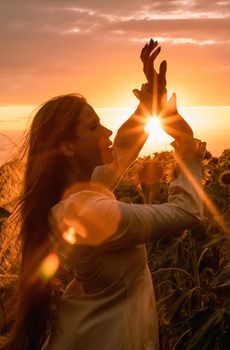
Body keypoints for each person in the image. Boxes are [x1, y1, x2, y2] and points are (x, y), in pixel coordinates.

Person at [3, 40, 206, 350]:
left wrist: (151, 96)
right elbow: (187, 212)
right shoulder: (90, 213)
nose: (107, 131)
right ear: (68, 146)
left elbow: (124, 145)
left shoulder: (77, 195)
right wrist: (186, 144)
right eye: (94, 126)